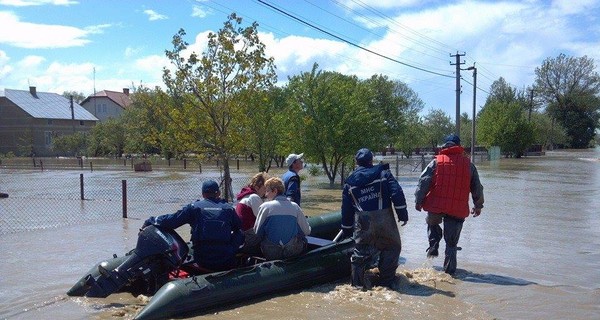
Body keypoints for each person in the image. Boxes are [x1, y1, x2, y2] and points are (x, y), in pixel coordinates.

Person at [415, 134, 484, 275]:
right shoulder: (469, 165)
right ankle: (450, 274)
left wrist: (419, 201)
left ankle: (433, 244)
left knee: (432, 223)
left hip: (436, 206)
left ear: (445, 146)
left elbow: (423, 182)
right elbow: (477, 187)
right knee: (451, 244)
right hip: (457, 209)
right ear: (459, 146)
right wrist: (478, 206)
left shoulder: (436, 162)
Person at [341, 148, 409, 290]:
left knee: (360, 252)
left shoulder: (349, 182)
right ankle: (386, 283)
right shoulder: (383, 174)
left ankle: (356, 285)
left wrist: (347, 228)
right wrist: (402, 213)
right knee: (391, 247)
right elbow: (397, 193)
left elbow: (346, 208)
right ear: (371, 160)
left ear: (356, 162)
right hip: (384, 220)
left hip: (363, 221)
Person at [141, 180, 244, 272]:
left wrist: (150, 220)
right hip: (225, 259)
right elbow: (239, 230)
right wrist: (231, 248)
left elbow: (171, 221)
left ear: (203, 194)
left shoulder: (194, 208)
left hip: (202, 259)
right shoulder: (228, 209)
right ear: (218, 193)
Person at [254, 177, 311, 260]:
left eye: (267, 191)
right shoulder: (295, 207)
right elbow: (306, 231)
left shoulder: (265, 207)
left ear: (275, 191)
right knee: (303, 239)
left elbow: (257, 232)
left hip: (271, 252)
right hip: (291, 251)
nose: (265, 195)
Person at [235, 172, 269, 252]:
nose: (266, 192)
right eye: (264, 188)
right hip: (248, 237)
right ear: (257, 187)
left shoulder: (245, 196)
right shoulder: (254, 197)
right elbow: (263, 220)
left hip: (242, 235)